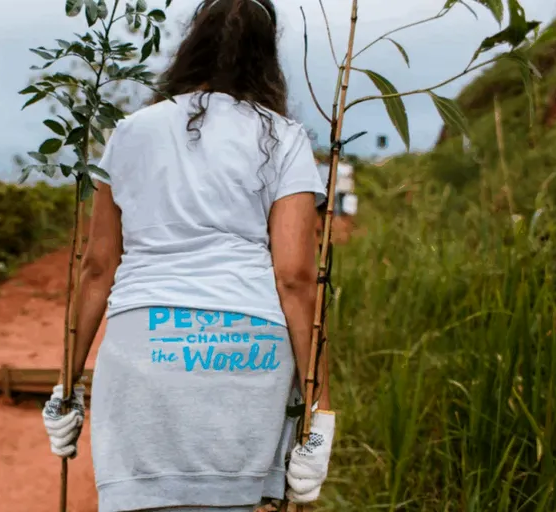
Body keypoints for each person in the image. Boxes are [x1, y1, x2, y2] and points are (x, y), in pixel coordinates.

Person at [41, 0, 336, 510]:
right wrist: (320, 410)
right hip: (250, 350)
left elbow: (98, 268)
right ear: (266, 57)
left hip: (143, 348)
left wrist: (67, 386)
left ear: (191, 43)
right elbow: (294, 278)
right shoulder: (282, 138)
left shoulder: (130, 132)